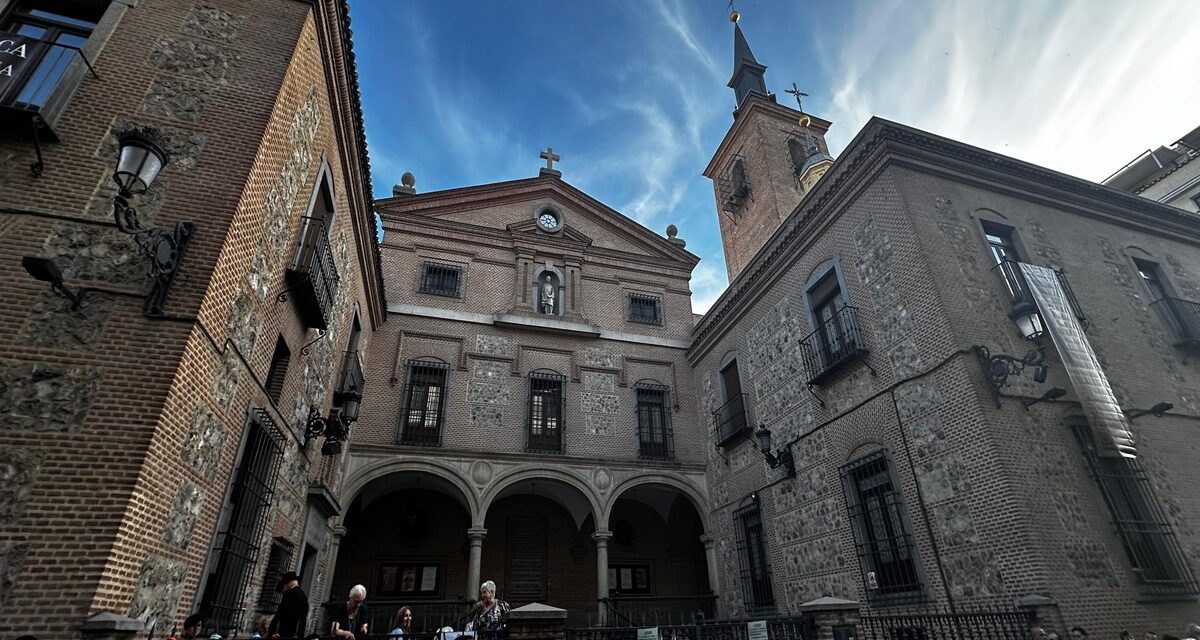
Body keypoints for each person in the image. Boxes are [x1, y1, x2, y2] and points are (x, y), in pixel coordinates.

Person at [267, 571, 309, 639]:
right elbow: (303, 618)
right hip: (297, 634)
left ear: (288, 583)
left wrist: (272, 633)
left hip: (284, 634)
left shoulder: (289, 594)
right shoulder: (303, 595)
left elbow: (280, 614)